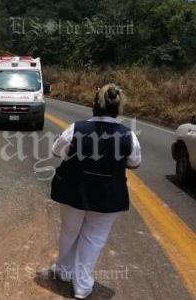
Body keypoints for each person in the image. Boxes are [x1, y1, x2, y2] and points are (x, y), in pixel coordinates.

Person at [48, 84, 141, 299]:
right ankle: (81, 286)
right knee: (93, 238)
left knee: (69, 231)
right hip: (108, 196)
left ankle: (63, 271)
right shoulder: (128, 135)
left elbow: (57, 150)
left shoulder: (76, 128)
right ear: (118, 108)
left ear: (94, 105)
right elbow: (134, 163)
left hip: (73, 191)